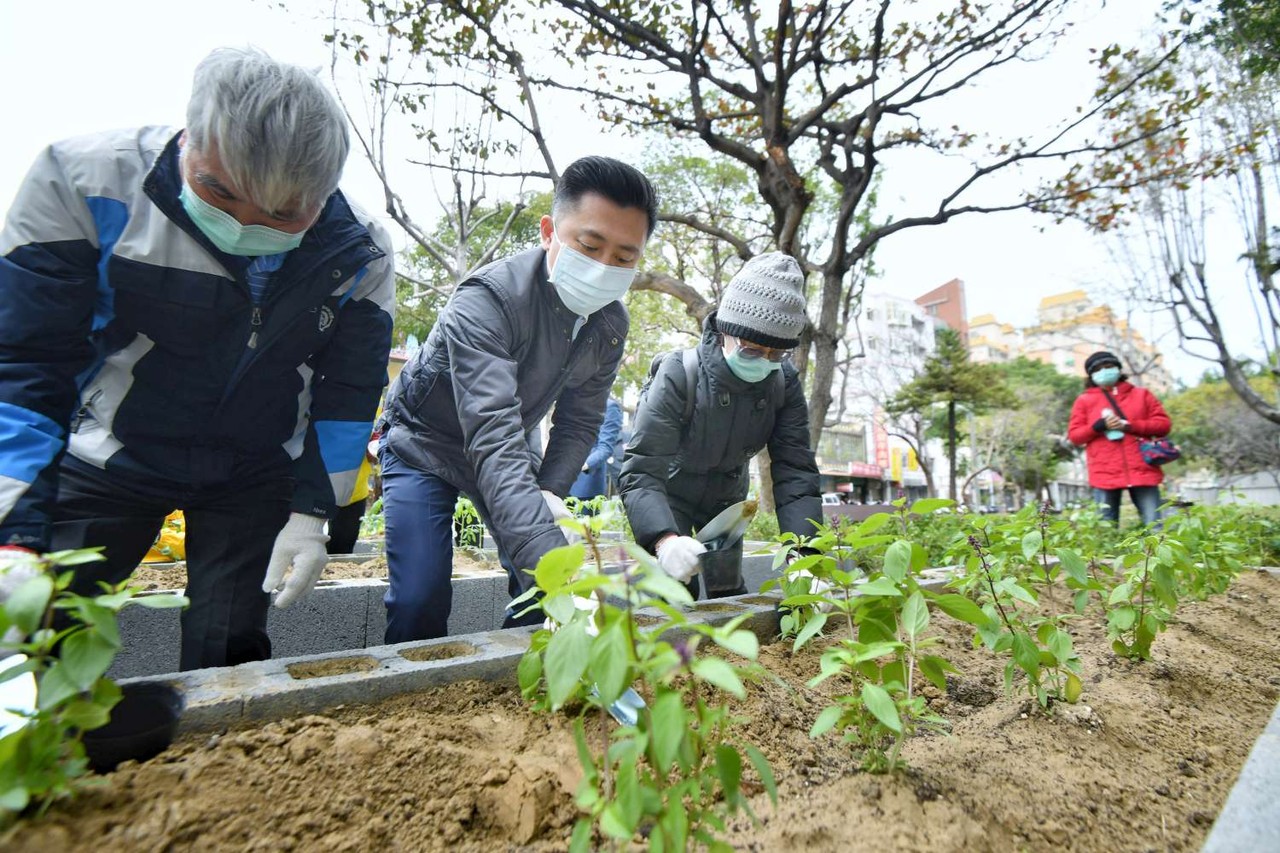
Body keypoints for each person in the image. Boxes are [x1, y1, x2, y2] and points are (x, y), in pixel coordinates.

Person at [0, 48, 395, 669]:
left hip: (254, 467)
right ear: (189, 139)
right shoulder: (83, 182)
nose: (243, 223)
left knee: (228, 648)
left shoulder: (359, 252)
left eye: (282, 214)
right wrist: (15, 528)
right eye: (219, 191)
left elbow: (349, 389)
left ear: (323, 196)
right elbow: (26, 361)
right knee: (44, 628)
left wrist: (312, 511)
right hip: (111, 448)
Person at [377, 156, 657, 642]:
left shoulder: (610, 324)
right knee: (420, 595)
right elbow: (491, 433)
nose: (602, 269)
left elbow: (580, 421)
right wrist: (556, 567)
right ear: (549, 231)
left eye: (623, 258)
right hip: (424, 443)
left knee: (537, 587)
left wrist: (550, 492)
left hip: (508, 443)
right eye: (590, 246)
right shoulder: (487, 299)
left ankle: (516, 668)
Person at [619, 252, 822, 599]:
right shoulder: (679, 374)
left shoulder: (783, 382)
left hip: (727, 497)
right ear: (726, 330)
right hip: (670, 490)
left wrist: (804, 554)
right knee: (671, 590)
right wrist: (663, 540)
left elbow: (795, 471)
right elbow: (642, 469)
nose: (764, 361)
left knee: (728, 589)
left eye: (776, 354)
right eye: (752, 350)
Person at [1067, 351, 1171, 527]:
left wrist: (1129, 426)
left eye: (1108, 367)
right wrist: (1097, 426)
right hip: (1104, 471)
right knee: (1105, 528)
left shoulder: (1142, 395)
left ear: (1118, 369)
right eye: (1098, 369)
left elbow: (1163, 425)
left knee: (1155, 526)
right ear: (1091, 375)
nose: (1104, 371)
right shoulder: (1084, 401)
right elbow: (1075, 436)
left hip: (1142, 468)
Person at [569, 397, 623, 502]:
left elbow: (605, 448)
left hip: (585, 484)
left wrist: (582, 465)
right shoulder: (571, 403)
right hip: (559, 480)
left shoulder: (609, 406)